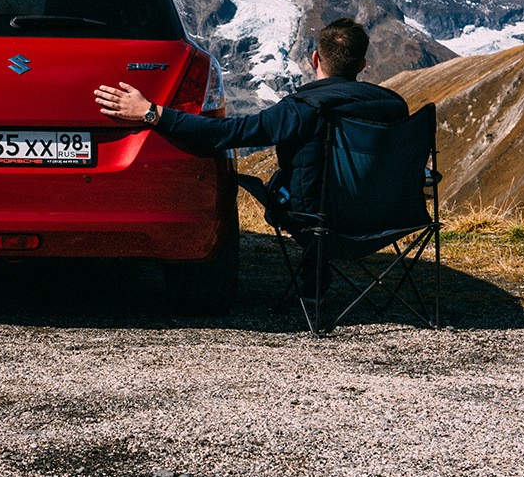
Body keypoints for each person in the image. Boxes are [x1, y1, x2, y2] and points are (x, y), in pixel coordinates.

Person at [94, 18, 408, 289]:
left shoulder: (302, 109)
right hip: (388, 219)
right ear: (362, 65)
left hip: (316, 222)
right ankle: (316, 270)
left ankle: (315, 269)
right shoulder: (394, 106)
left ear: (315, 59)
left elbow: (225, 134)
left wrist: (151, 112)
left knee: (280, 186)